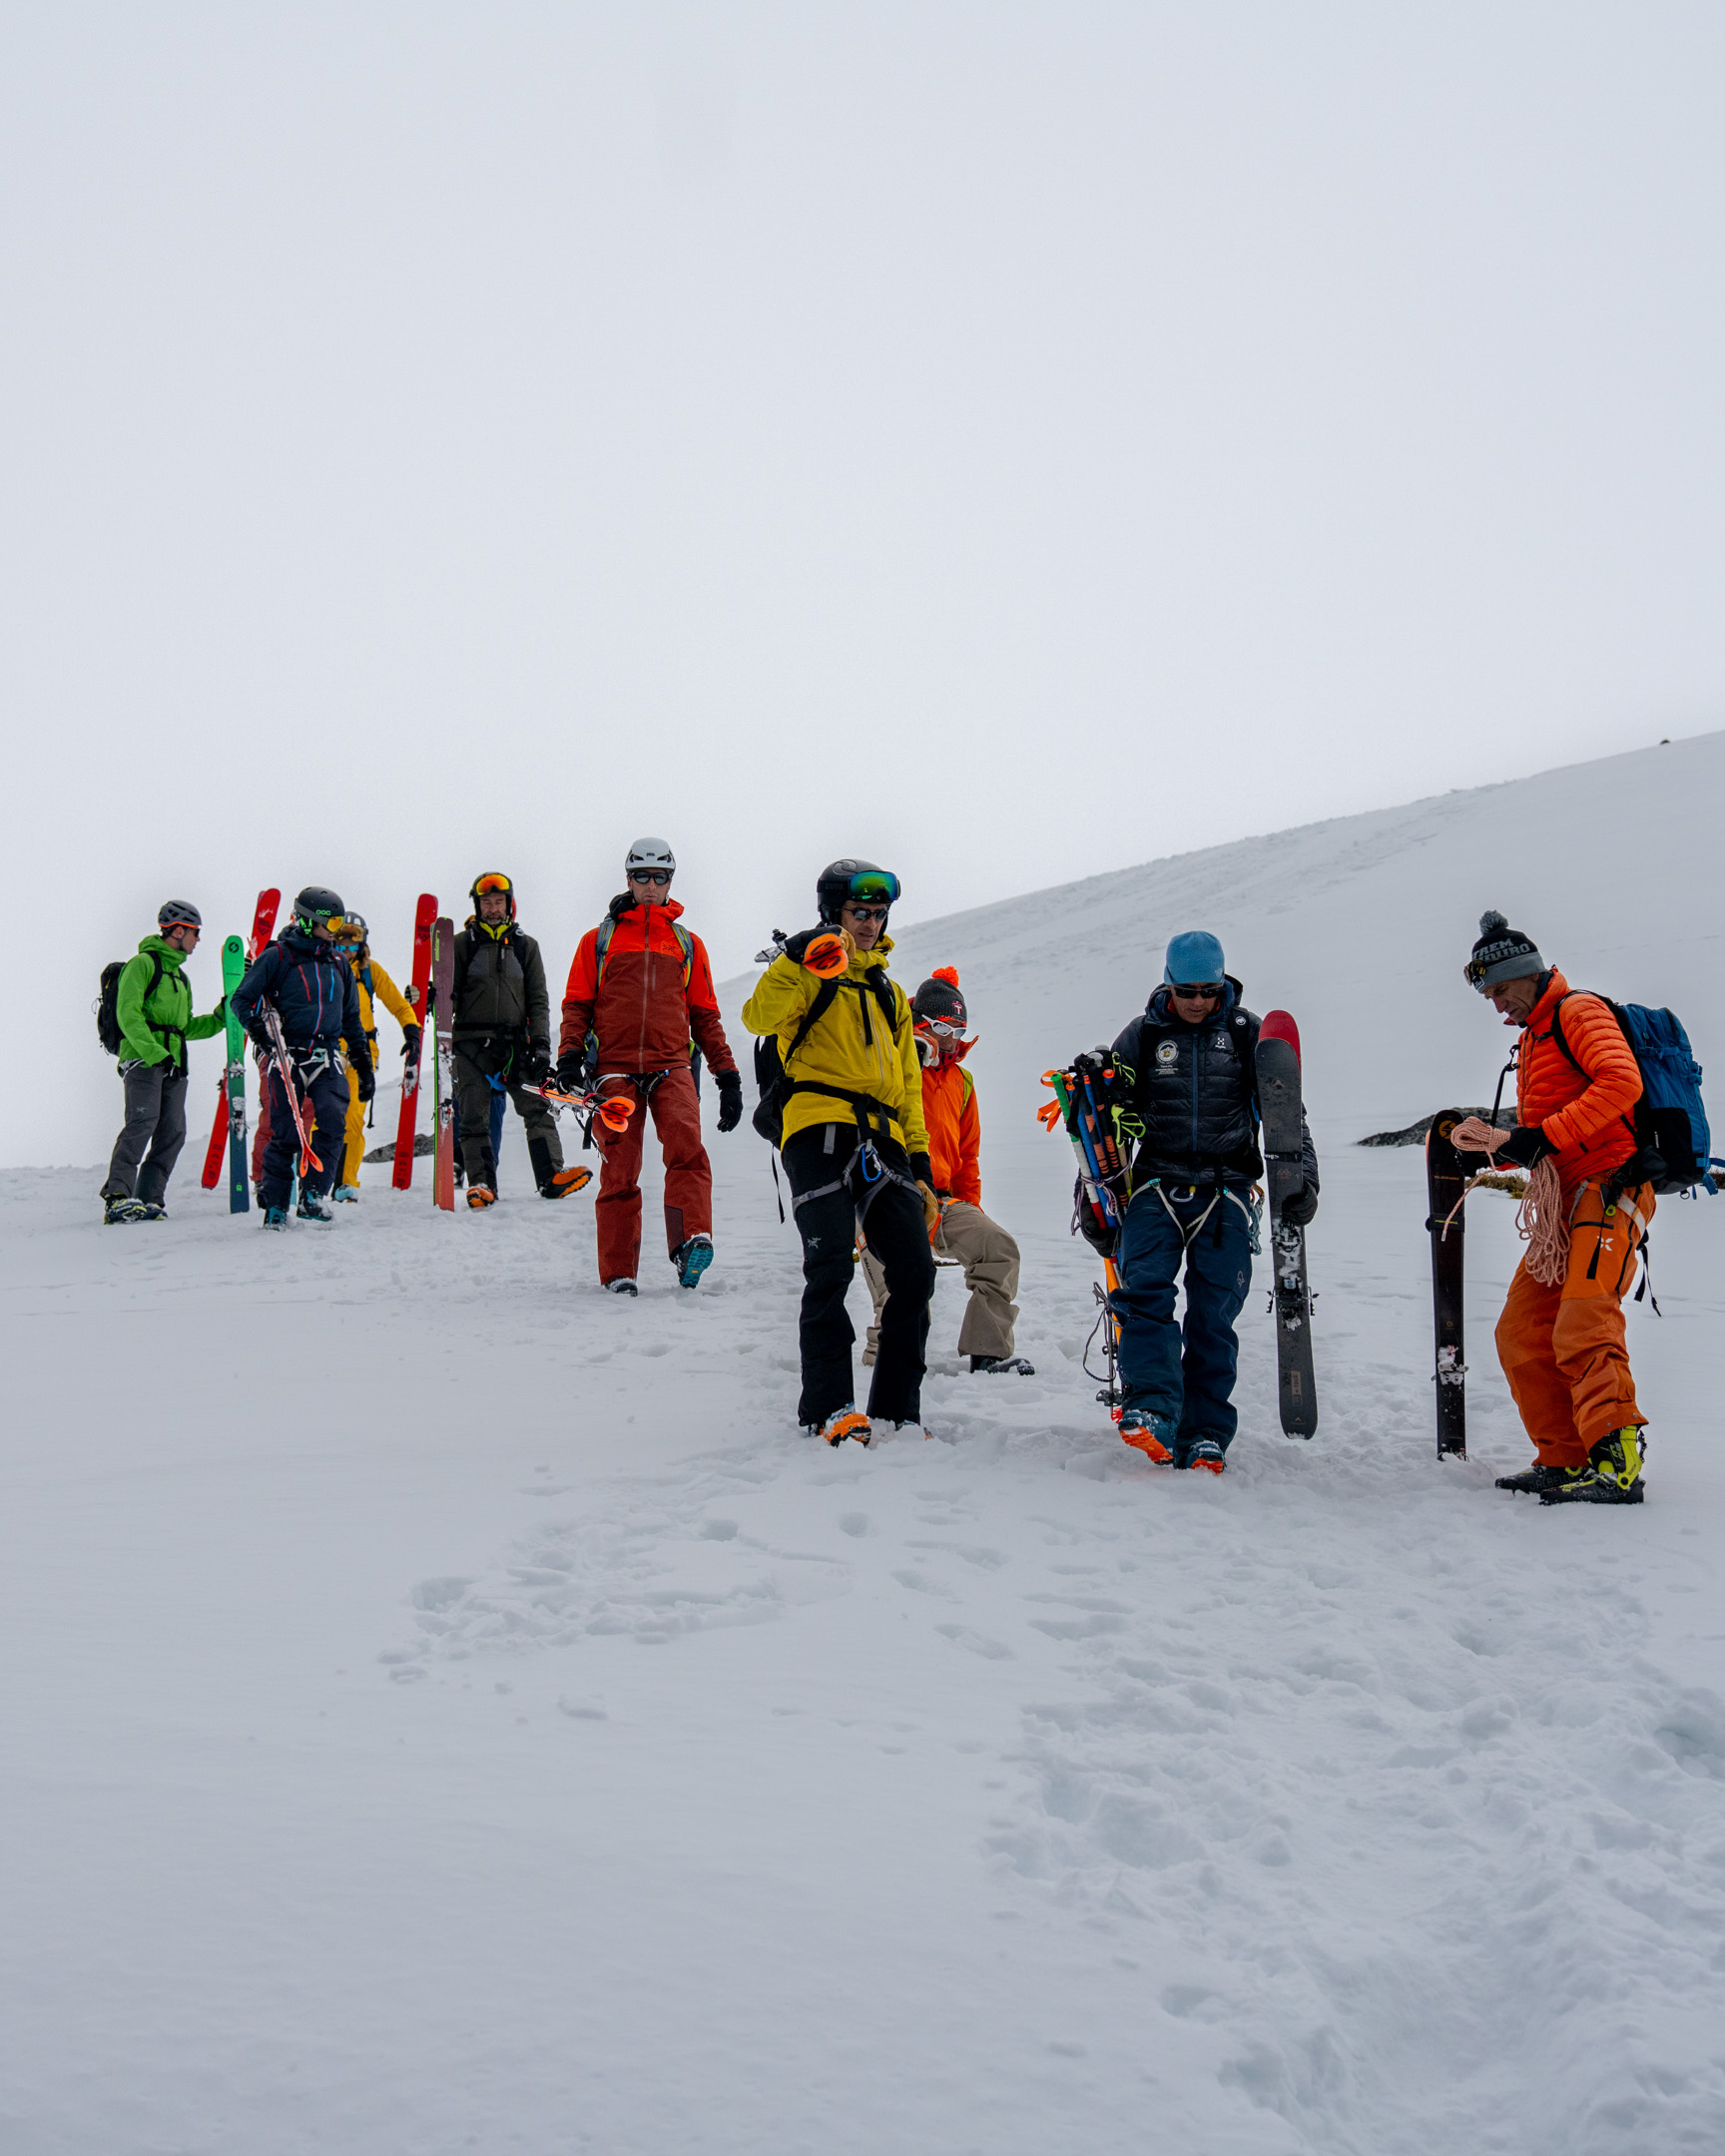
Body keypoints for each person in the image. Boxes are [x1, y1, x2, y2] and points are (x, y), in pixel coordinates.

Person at [1094, 928, 1318, 1473]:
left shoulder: (1245, 1032)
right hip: (1155, 1187)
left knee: (1213, 1318)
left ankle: (1205, 1433)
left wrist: (1302, 1178)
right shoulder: (1144, 1033)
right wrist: (1095, 1194)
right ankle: (1152, 1410)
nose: (1198, 1002)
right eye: (1188, 991)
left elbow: (1287, 1112)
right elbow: (1103, 1117)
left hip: (1227, 1191)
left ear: (1223, 985)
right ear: (1168, 984)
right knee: (1143, 1297)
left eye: (1209, 991)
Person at [741, 858, 937, 1444]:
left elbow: (908, 1082)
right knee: (828, 1269)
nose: (871, 923)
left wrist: (920, 1159)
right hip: (816, 1128)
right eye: (860, 913)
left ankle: (897, 1409)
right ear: (834, 913)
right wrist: (793, 959)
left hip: (884, 1140)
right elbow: (757, 1016)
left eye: (879, 914)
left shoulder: (890, 992)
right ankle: (827, 1408)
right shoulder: (808, 970)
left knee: (915, 1271)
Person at [1461, 910, 1652, 1505]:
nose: (1497, 1006)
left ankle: (1616, 1464)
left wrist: (1538, 1140)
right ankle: (1565, 1459)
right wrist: (1497, 1152)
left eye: (1500, 990)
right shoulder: (1534, 1038)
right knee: (1521, 1331)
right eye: (1488, 995)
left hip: (1612, 1187)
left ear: (1525, 973)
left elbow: (1621, 1084)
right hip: (1566, 1204)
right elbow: (1545, 1133)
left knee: (1584, 1322)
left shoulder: (1578, 1013)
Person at [556, 838, 743, 1293]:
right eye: (642, 876)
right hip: (613, 1069)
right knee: (620, 1169)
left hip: (672, 1064)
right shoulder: (597, 941)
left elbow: (704, 1015)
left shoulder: (686, 943)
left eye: (660, 877)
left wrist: (727, 1075)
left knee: (687, 1150)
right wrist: (568, 1056)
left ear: (670, 881)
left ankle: (690, 1243)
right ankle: (620, 1271)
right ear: (628, 880)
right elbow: (577, 1004)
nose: (651, 886)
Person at [862, 967, 1032, 1375]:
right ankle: (883, 1366)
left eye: (958, 1028)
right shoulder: (890, 1061)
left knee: (998, 1248)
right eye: (941, 1026)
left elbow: (967, 1155)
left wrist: (968, 1212)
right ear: (919, 1023)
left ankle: (989, 1352)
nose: (951, 1038)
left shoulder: (963, 1081)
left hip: (941, 1200)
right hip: (884, 1195)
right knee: (901, 1295)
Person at [231, 886, 372, 1228]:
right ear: (309, 922)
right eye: (332, 922)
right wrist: (261, 1036)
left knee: (333, 1122)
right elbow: (241, 1001)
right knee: (286, 1132)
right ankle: (276, 1207)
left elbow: (351, 1019)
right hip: (287, 1054)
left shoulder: (337, 962)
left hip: (326, 1055)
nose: (337, 930)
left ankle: (312, 1196)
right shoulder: (278, 956)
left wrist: (364, 1064)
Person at [451, 873, 581, 1209]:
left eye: (498, 902)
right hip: (470, 1046)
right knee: (473, 1115)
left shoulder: (526, 947)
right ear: (477, 906)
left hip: (516, 1046)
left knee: (537, 1107)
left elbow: (538, 1000)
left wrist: (541, 1045)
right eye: (486, 903)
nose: (493, 908)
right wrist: (423, 997)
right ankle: (481, 1183)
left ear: (510, 905)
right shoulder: (461, 945)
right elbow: (444, 997)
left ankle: (551, 1177)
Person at [100, 900, 227, 1223]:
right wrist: (156, 1054)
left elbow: (184, 1028)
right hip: (143, 1060)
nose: (198, 940)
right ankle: (117, 1198)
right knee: (142, 1122)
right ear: (179, 930)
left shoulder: (180, 978)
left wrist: (220, 1017)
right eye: (195, 933)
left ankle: (148, 1199)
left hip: (173, 1064)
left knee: (173, 1131)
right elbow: (128, 1015)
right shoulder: (142, 964)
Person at [329, 914, 421, 1199]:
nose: (346, 947)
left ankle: (345, 1183)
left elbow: (398, 1004)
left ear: (362, 942)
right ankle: (315, 1178)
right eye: (341, 940)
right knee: (322, 1117)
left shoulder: (371, 972)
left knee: (353, 1119)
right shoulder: (321, 967)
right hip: (328, 1048)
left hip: (362, 1053)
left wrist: (412, 1032)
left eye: (352, 940)